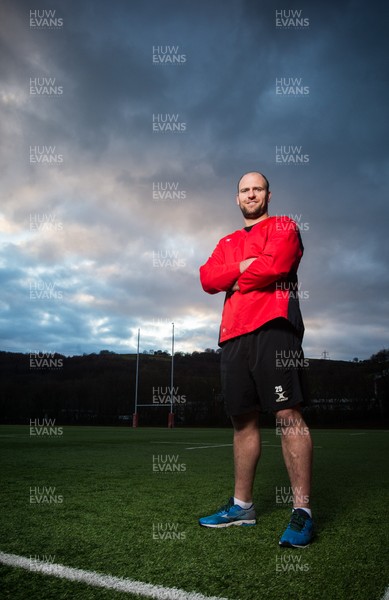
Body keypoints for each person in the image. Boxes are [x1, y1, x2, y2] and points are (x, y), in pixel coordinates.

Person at [198, 171, 313, 547]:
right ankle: (242, 506)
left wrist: (235, 277)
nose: (251, 194)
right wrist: (243, 267)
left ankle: (302, 512)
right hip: (233, 335)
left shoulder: (283, 225)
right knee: (242, 421)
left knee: (286, 414)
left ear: (268, 194)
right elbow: (207, 278)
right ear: (237, 198)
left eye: (257, 189)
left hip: (274, 327)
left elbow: (277, 264)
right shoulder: (226, 240)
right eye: (245, 190)